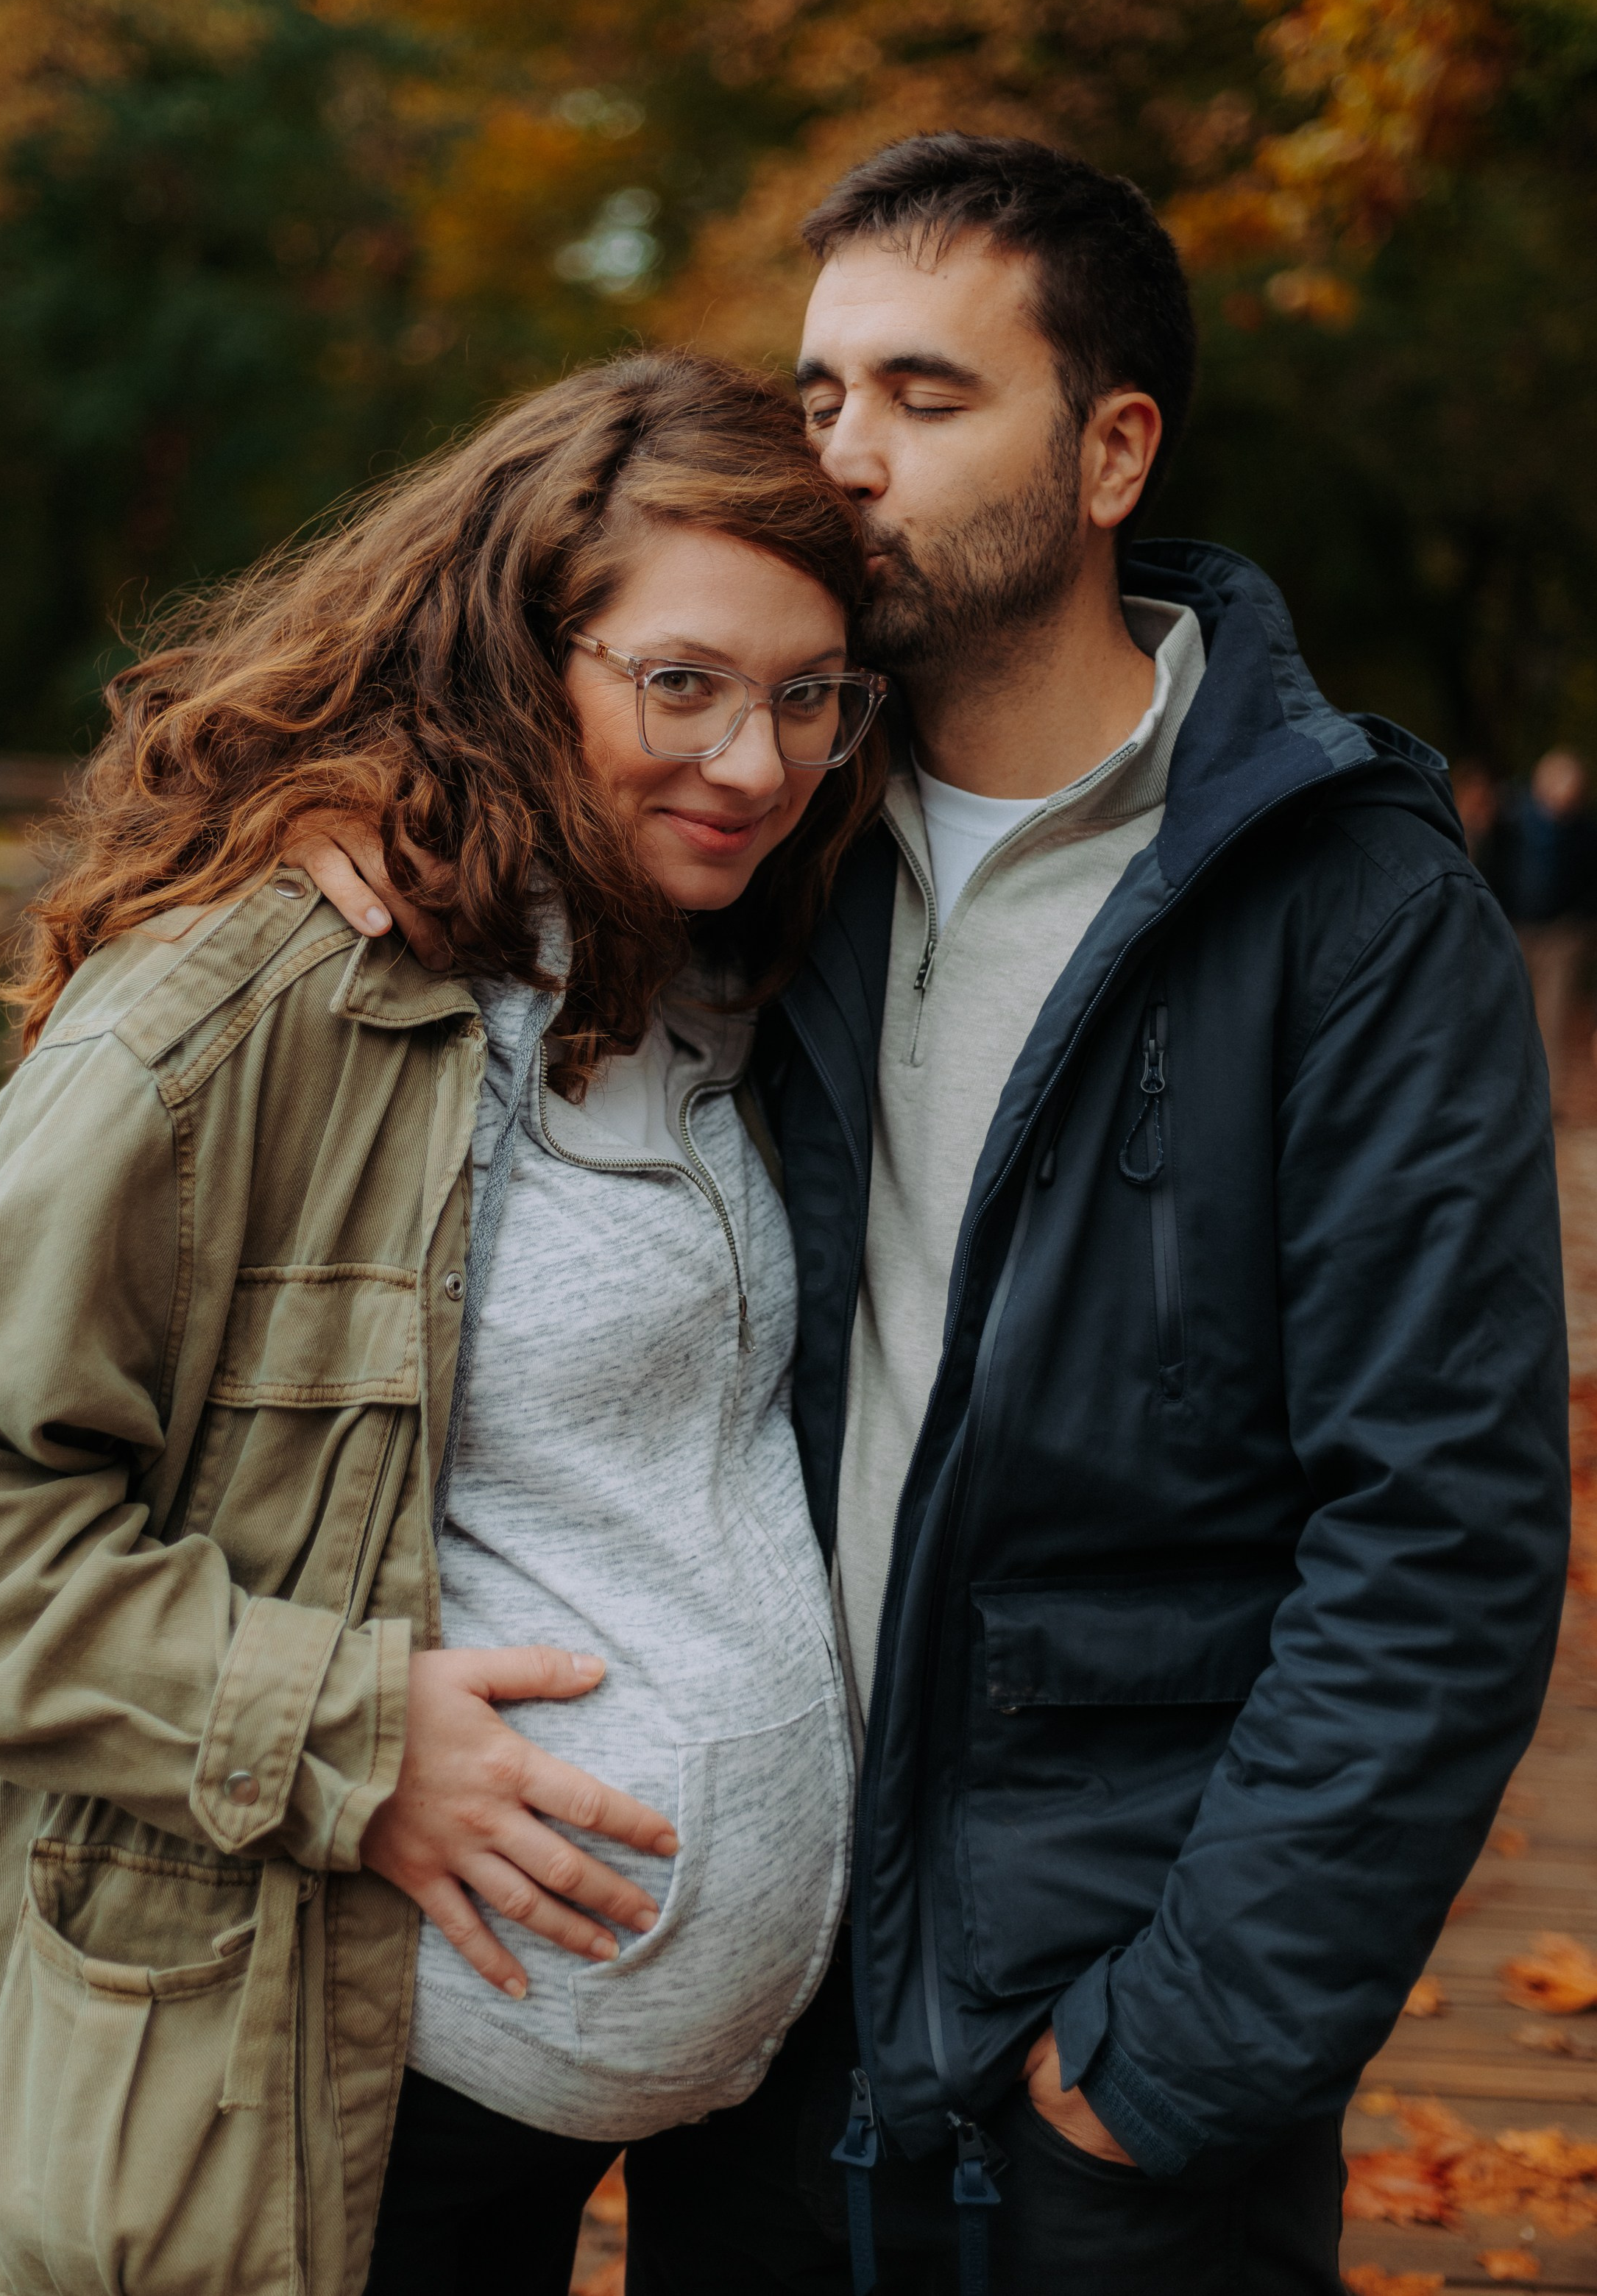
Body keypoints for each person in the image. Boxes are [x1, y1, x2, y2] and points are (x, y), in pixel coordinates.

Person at [300, 135, 1570, 2295]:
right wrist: (373, 832)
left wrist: (1173, 2054)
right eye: (815, 397)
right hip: (755, 2042)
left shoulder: (1340, 901)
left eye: (921, 393)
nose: (844, 456)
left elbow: (1437, 1529)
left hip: (1102, 2070)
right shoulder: (765, 831)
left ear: (1110, 448)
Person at [0, 352, 893, 2296]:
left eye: (805, 695)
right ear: (520, 653)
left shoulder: (711, 974)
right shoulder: (259, 994)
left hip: (640, 2120)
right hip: (304, 2089)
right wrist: (346, 1733)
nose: (753, 761)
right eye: (678, 680)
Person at [1479, 747, 1597, 1114]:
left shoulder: (1585, 832)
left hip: (1562, 936)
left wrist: (1579, 922)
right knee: (1507, 1012)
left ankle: (1545, 1102)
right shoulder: (1511, 821)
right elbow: (1489, 864)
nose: (1564, 793)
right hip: (1513, 927)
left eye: (1571, 786)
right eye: (1559, 783)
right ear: (1540, 783)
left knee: (1554, 1015)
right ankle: (1501, 1097)